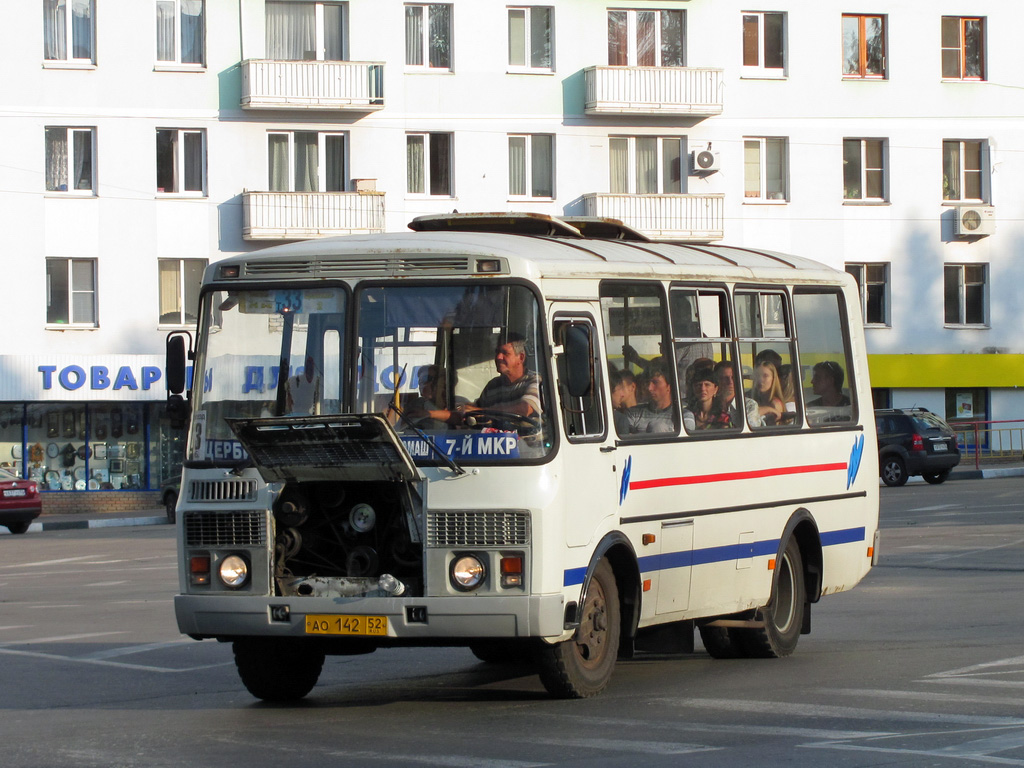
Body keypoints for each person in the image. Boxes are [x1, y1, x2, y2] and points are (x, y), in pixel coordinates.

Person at [455, 334, 542, 427]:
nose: (498, 357)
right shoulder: (493, 385)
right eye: (497, 352)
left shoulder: (535, 381)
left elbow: (524, 409)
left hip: (528, 440)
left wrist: (480, 411)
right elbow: (475, 409)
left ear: (521, 358)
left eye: (505, 353)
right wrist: (460, 407)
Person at [624, 361, 675, 434]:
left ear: (669, 386)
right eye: (648, 382)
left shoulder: (681, 417)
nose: (649, 388)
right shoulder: (633, 413)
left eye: (655, 382)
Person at [714, 360, 761, 428]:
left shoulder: (749, 405)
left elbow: (750, 433)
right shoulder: (710, 404)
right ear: (717, 380)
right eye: (725, 378)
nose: (730, 382)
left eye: (733, 378)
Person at [751, 361, 785, 426]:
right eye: (757, 376)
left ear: (773, 379)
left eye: (765, 376)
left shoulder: (775, 404)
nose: (760, 380)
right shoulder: (753, 399)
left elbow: (750, 415)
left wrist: (768, 409)